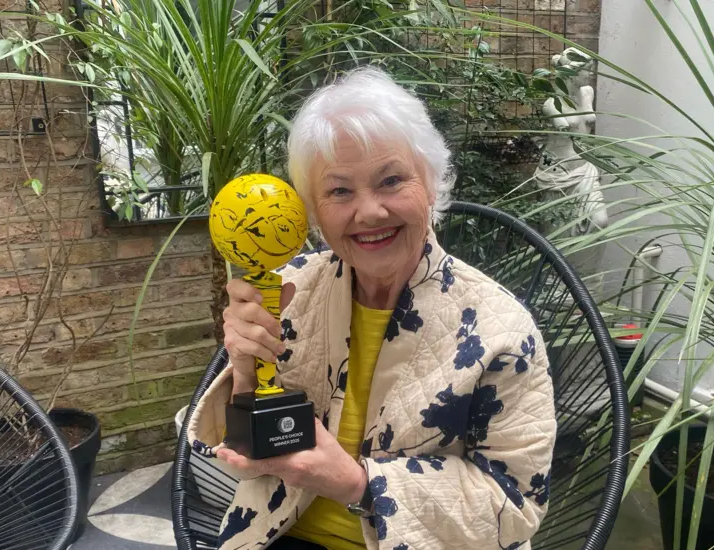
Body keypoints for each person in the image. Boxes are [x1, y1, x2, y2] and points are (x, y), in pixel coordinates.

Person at [186, 67, 556, 550]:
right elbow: (248, 453)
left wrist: (359, 484)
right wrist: (245, 368)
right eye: (339, 190)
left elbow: (515, 503)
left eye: (391, 180)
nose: (369, 212)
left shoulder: (500, 329)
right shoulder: (290, 291)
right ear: (314, 211)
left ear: (432, 182)